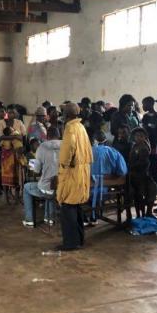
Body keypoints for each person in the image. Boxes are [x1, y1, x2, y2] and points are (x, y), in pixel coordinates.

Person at [55, 103, 93, 251]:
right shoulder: (81, 127)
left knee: (67, 207)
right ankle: (79, 240)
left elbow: (66, 153)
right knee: (76, 207)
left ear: (67, 114)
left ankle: (70, 243)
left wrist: (63, 165)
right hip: (82, 170)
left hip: (72, 172)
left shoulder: (70, 128)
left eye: (63, 112)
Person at [22, 127, 61, 227]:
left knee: (27, 187)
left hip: (48, 188)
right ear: (59, 135)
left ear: (47, 136)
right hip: (63, 187)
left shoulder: (42, 147)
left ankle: (29, 220)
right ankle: (49, 218)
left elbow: (36, 170)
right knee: (52, 187)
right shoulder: (66, 144)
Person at [89, 130, 128, 225]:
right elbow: (123, 171)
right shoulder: (113, 152)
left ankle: (92, 215)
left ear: (93, 141)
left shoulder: (87, 152)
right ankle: (96, 213)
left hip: (87, 188)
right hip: (107, 188)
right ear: (105, 141)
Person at [0, 105, 27, 202]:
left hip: (17, 152)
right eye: (9, 112)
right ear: (6, 112)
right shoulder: (1, 123)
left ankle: (17, 197)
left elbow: (23, 136)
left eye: (13, 112)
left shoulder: (19, 122)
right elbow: (1, 137)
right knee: (6, 175)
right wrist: (15, 137)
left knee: (18, 174)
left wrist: (17, 139)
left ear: (16, 113)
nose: (11, 114)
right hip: (6, 154)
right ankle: (6, 196)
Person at [129, 128, 157, 218]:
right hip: (135, 175)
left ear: (145, 137)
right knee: (138, 195)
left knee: (151, 190)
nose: (139, 138)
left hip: (143, 174)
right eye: (137, 136)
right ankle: (139, 215)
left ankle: (148, 212)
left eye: (141, 136)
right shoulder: (134, 147)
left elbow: (144, 162)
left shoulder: (144, 147)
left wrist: (132, 166)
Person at [142, 96, 157, 188]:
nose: (143, 106)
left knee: (155, 169)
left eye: (144, 104)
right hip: (145, 147)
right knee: (147, 169)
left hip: (154, 147)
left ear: (150, 104)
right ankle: (148, 189)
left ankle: (155, 188)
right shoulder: (145, 117)